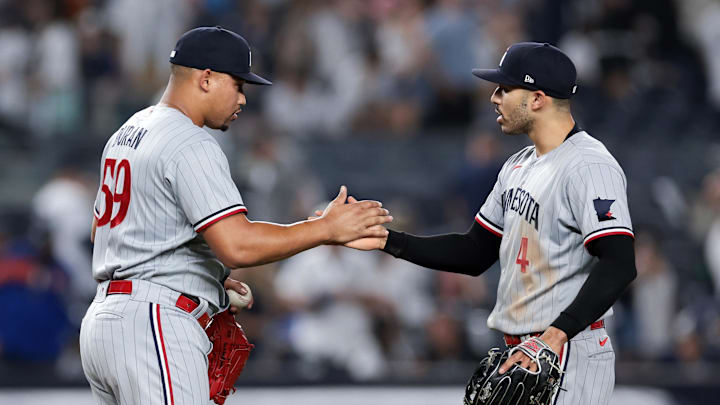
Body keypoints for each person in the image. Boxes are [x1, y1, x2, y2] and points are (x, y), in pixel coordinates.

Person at [79, 26, 392, 405]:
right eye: (238, 84)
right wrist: (325, 228)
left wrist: (202, 273)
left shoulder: (128, 131)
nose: (243, 98)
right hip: (153, 323)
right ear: (206, 78)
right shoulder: (189, 140)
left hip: (104, 326)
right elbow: (237, 246)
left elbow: (105, 233)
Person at [345, 42, 637, 404]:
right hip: (523, 351)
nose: (494, 98)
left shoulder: (589, 165)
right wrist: (388, 240)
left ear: (537, 98)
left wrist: (555, 334)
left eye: (504, 89)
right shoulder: (518, 165)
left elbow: (620, 263)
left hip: (569, 349)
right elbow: (475, 251)